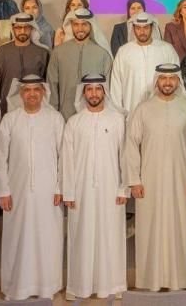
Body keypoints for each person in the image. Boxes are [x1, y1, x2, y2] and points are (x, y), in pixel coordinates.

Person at [123, 64, 186, 292]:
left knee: (179, 229)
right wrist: (134, 180)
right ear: (156, 81)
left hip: (181, 181)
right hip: (149, 182)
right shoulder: (143, 109)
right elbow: (131, 145)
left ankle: (177, 281)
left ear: (178, 81)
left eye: (172, 78)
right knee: (150, 229)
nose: (167, 82)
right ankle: (151, 281)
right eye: (163, 78)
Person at [0, 75, 65, 300]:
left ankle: (46, 287)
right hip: (17, 192)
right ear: (20, 93)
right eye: (27, 90)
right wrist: (3, 191)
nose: (32, 94)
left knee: (47, 238)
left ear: (43, 92)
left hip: (48, 193)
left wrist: (61, 187)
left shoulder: (55, 119)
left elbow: (64, 157)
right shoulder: (10, 120)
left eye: (36, 90)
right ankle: (18, 287)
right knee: (18, 239)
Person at [62, 74, 130, 300]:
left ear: (104, 92)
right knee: (81, 237)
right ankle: (78, 287)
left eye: (98, 89)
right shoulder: (74, 122)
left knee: (111, 237)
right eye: (89, 89)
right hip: (80, 191)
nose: (93, 94)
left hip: (111, 190)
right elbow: (67, 159)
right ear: (83, 93)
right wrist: (68, 192)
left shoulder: (117, 120)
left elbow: (125, 157)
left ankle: (113, 285)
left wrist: (123, 188)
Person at [48, 8, 114, 118]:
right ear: (71, 26)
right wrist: (53, 113)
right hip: (65, 114)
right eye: (76, 25)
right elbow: (52, 85)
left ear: (91, 26)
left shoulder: (103, 54)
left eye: (84, 24)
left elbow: (107, 89)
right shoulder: (58, 52)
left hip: (94, 116)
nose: (80, 29)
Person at [109, 12, 179, 113]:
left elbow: (176, 81)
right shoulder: (123, 51)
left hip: (161, 112)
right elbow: (116, 85)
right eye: (138, 28)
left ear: (152, 28)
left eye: (146, 27)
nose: (142, 32)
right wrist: (118, 113)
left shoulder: (166, 49)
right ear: (133, 29)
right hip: (130, 111)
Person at [0, 13, 50, 113]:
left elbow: (47, 84)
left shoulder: (43, 53)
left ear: (32, 28)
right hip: (6, 108)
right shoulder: (1, 52)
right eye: (18, 28)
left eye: (26, 27)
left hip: (36, 108)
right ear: (12, 29)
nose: (22, 31)